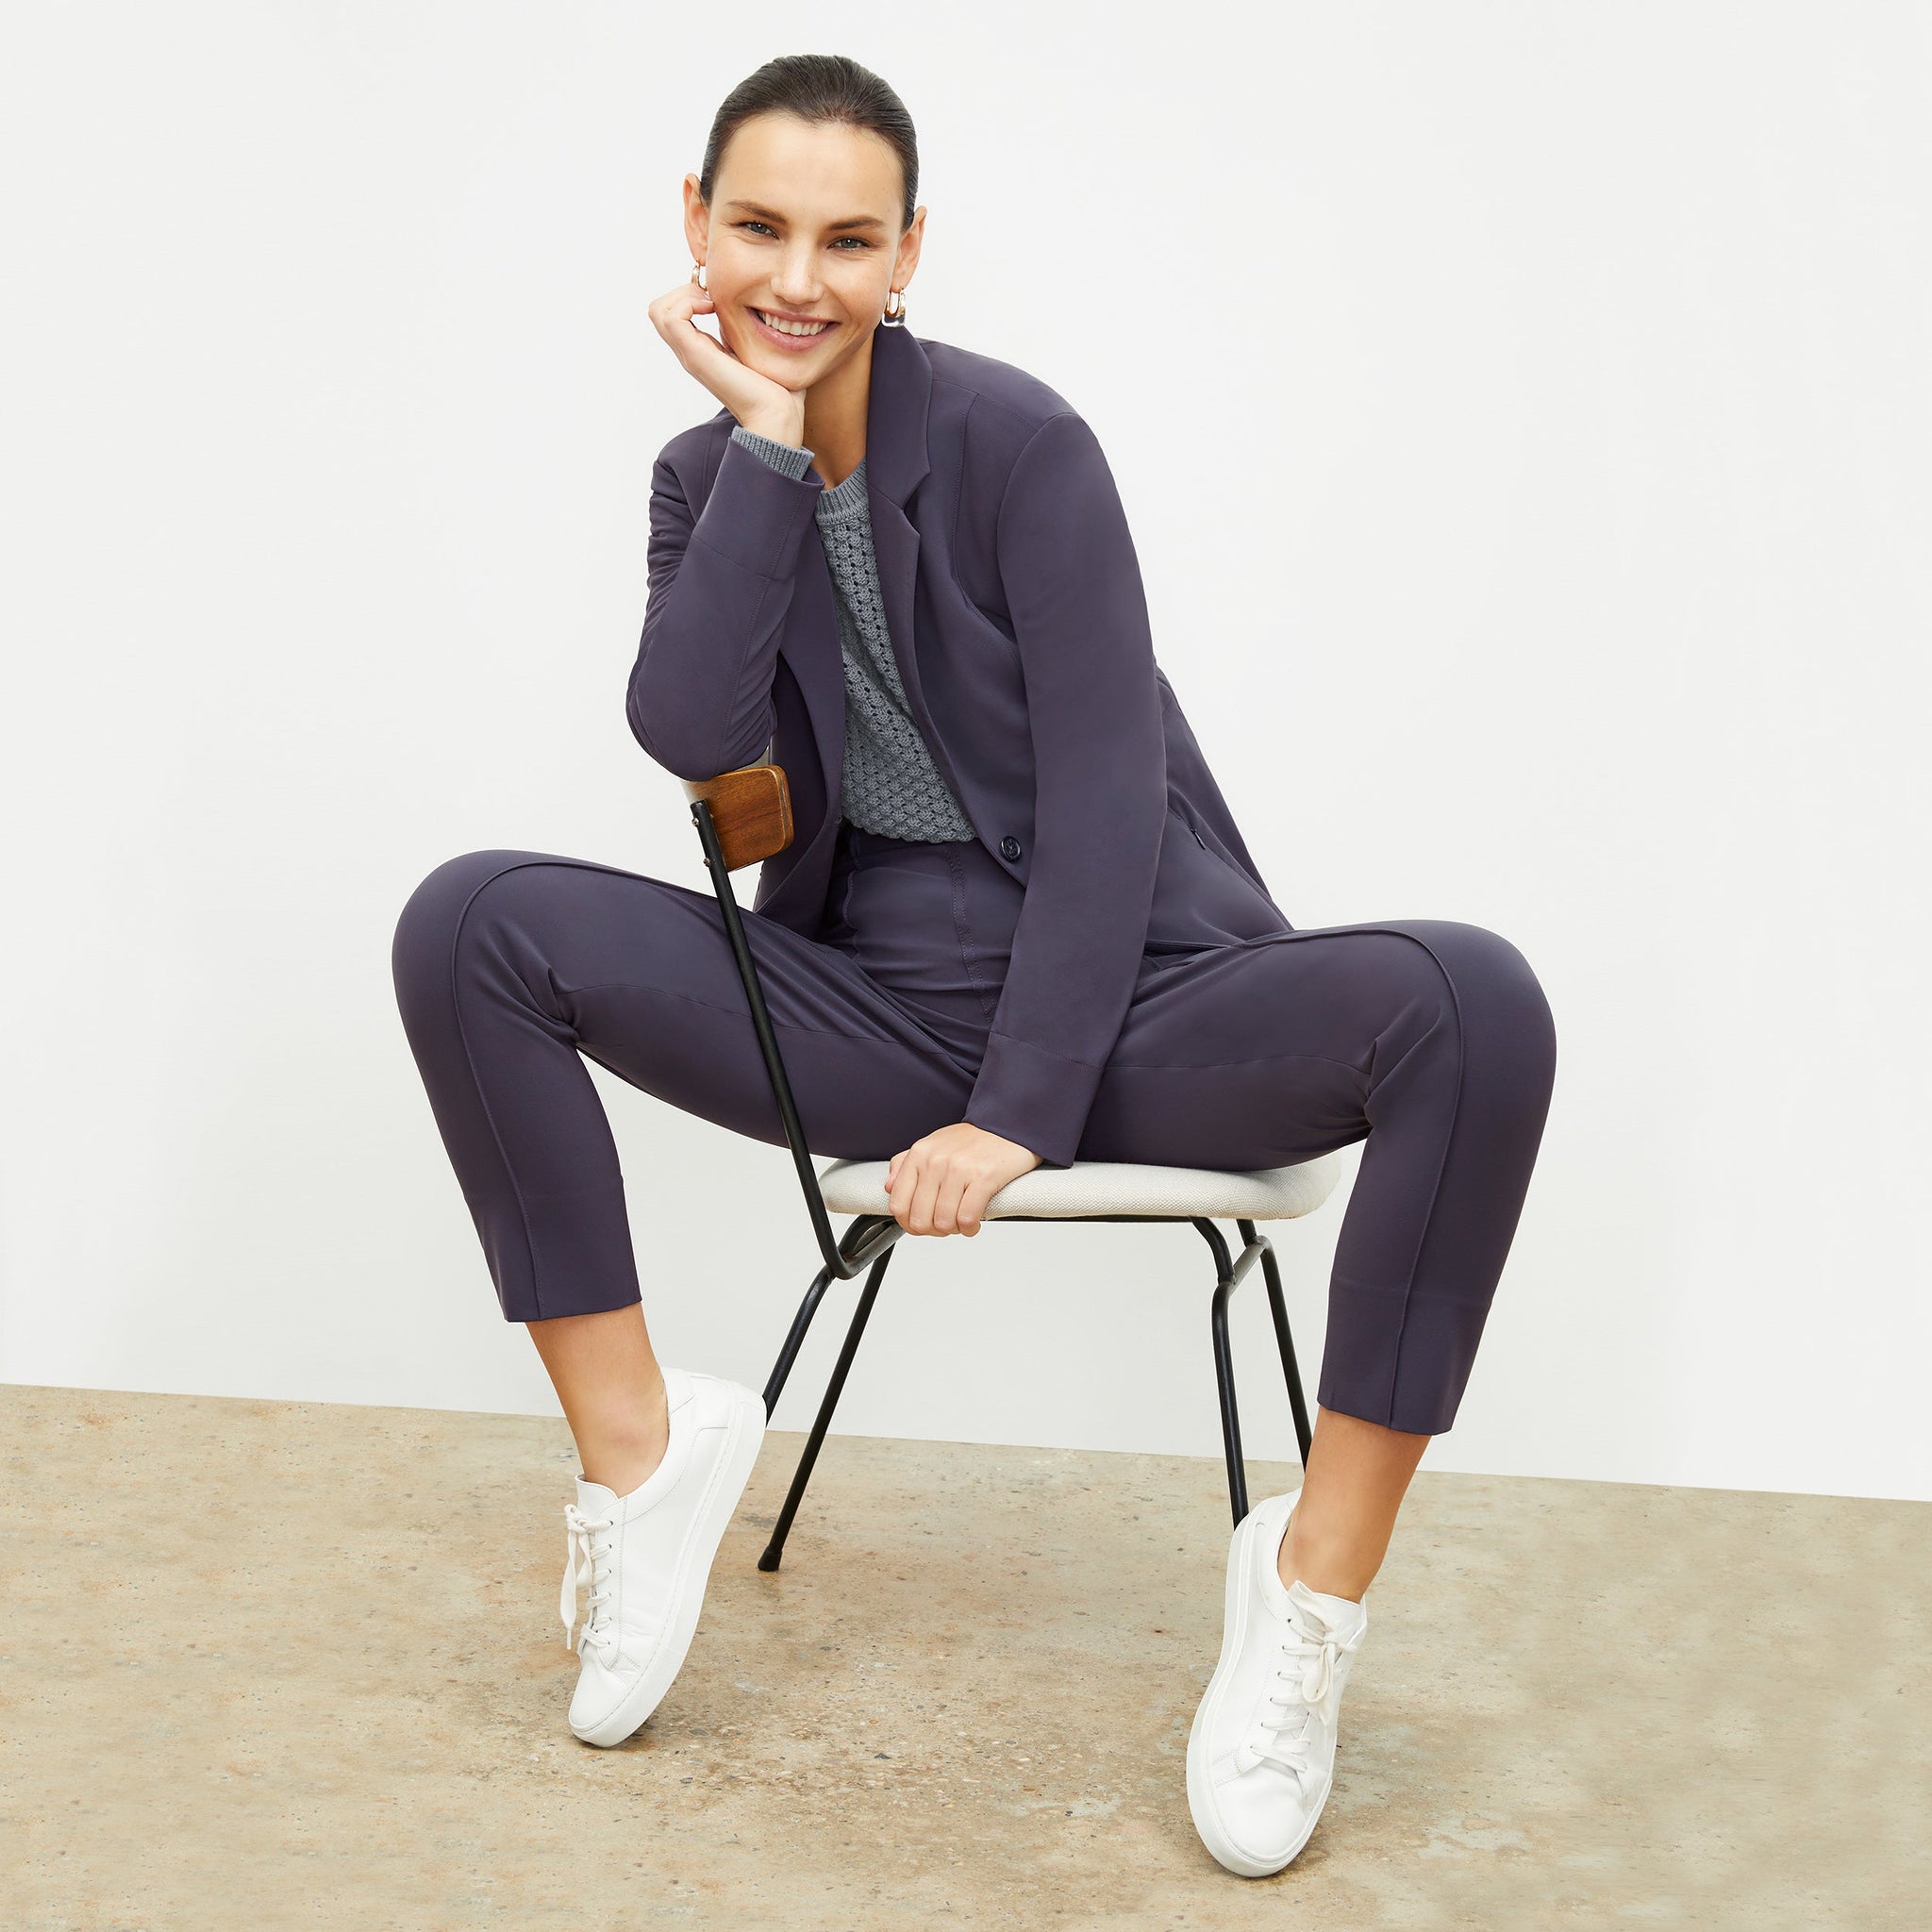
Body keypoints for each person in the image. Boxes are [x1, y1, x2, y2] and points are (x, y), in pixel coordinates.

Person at [390, 54, 1557, 1879]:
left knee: (1475, 999)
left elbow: (1106, 803)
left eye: (847, 239)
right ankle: (641, 1456)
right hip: (866, 1005)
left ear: (910, 249)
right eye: (759, 227)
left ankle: (1310, 1586)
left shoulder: (1025, 446)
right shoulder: (705, 479)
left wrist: (1018, 1114)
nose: (798, 276)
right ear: (692, 229)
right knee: (469, 921)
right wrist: (767, 461)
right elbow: (686, 730)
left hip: (1143, 997)